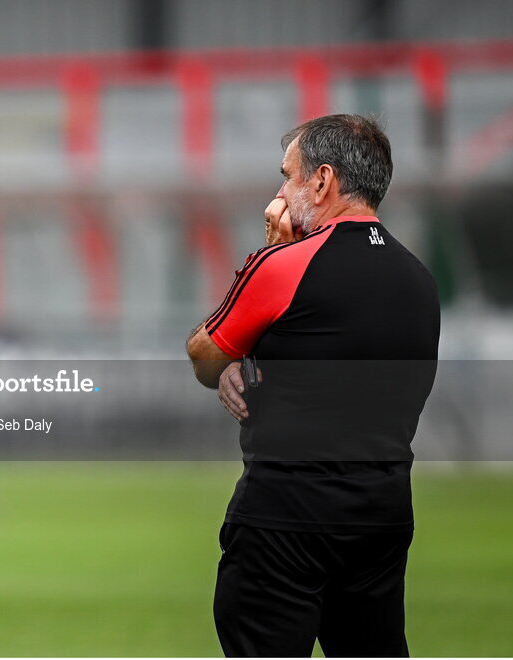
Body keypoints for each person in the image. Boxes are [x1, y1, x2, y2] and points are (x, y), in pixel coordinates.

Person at [185, 114, 440, 657]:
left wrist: (267, 252)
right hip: (383, 513)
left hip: (285, 515)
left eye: (287, 176)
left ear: (321, 181)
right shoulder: (419, 279)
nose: (279, 194)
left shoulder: (286, 265)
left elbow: (205, 356)